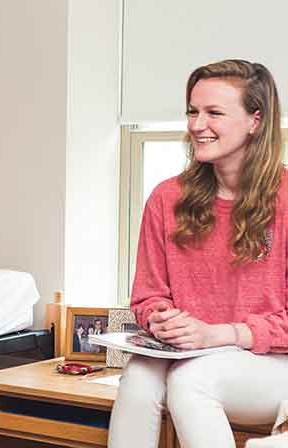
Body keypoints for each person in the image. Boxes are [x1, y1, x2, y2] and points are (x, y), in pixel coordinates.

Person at [108, 59, 288, 448]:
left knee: (193, 380)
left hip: (273, 363)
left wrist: (222, 334)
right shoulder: (166, 197)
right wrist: (161, 318)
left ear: (255, 120)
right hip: (191, 354)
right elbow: (147, 295)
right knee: (138, 375)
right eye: (193, 111)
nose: (196, 124)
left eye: (214, 113)